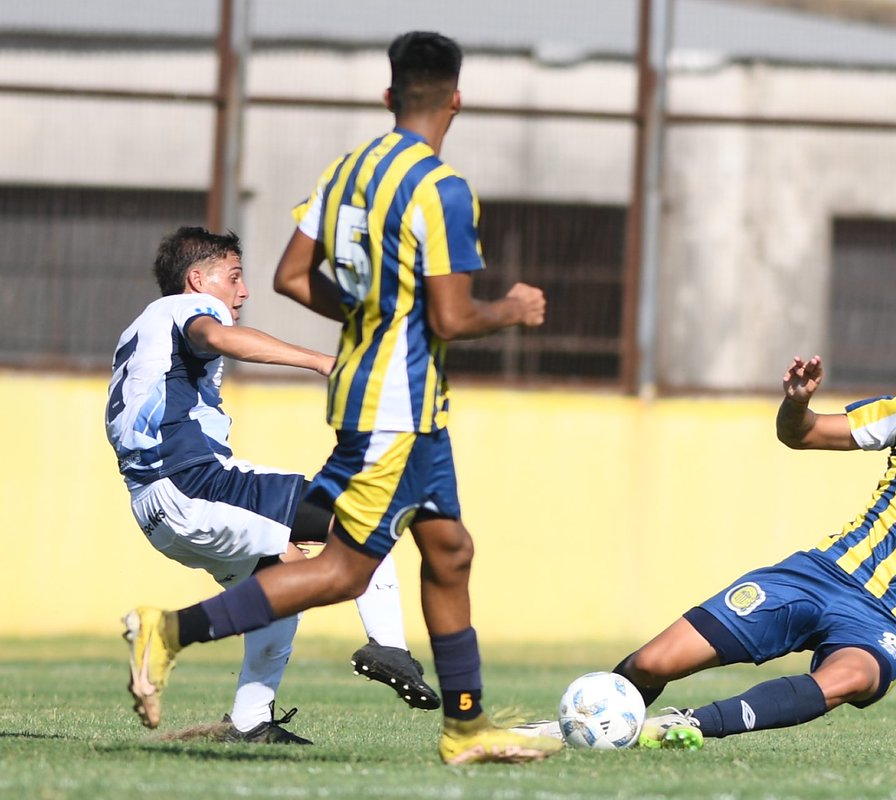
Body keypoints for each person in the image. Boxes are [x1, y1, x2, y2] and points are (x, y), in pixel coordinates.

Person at [121, 32, 563, 765]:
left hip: (392, 398)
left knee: (448, 549)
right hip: (398, 401)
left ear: (389, 96)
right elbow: (452, 317)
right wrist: (512, 309)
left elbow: (294, 276)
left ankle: (465, 726)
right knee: (344, 567)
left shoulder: (348, 173)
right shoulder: (442, 188)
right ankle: (170, 631)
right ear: (457, 99)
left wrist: (367, 322)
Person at [545, 318, 896, 758]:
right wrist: (797, 403)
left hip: (884, 623)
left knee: (851, 677)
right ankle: (578, 726)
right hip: (818, 575)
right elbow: (802, 435)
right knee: (652, 662)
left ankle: (687, 726)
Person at [108, 226, 439, 744]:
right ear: (197, 280)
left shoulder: (143, 327)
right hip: (193, 483)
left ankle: (250, 720)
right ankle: (389, 647)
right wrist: (322, 362)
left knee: (285, 581)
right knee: (361, 517)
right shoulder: (190, 308)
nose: (242, 292)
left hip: (155, 505)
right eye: (234, 277)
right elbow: (215, 337)